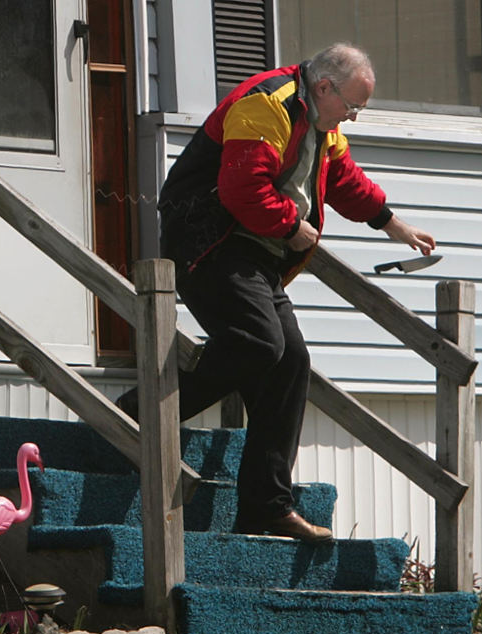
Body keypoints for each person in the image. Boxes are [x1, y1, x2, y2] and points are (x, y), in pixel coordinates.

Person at [117, 43, 435, 543]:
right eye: (351, 106)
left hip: (255, 252)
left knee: (290, 364)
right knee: (259, 343)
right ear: (323, 87)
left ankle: (266, 508)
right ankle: (138, 414)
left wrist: (391, 223)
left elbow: (344, 179)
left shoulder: (324, 123)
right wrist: (293, 227)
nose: (353, 117)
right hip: (209, 241)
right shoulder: (265, 103)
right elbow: (242, 190)